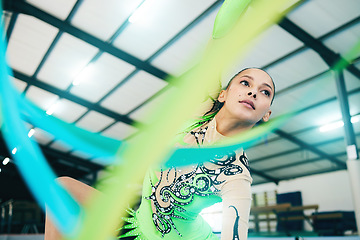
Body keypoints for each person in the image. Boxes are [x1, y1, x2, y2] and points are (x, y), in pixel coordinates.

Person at [45, 67, 275, 240]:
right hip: (135, 224)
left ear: (267, 114)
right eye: (246, 83)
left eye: (264, 92)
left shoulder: (236, 176)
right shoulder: (200, 113)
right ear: (223, 94)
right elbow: (219, 42)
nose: (253, 92)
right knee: (61, 187)